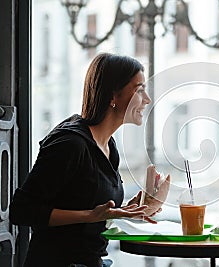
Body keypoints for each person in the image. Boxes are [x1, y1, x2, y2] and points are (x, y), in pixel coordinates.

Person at [10, 53, 170, 267]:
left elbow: (94, 210)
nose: (147, 99)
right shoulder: (70, 144)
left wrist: (132, 210)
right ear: (113, 95)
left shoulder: (109, 146)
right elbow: (21, 211)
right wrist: (90, 215)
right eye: (139, 89)